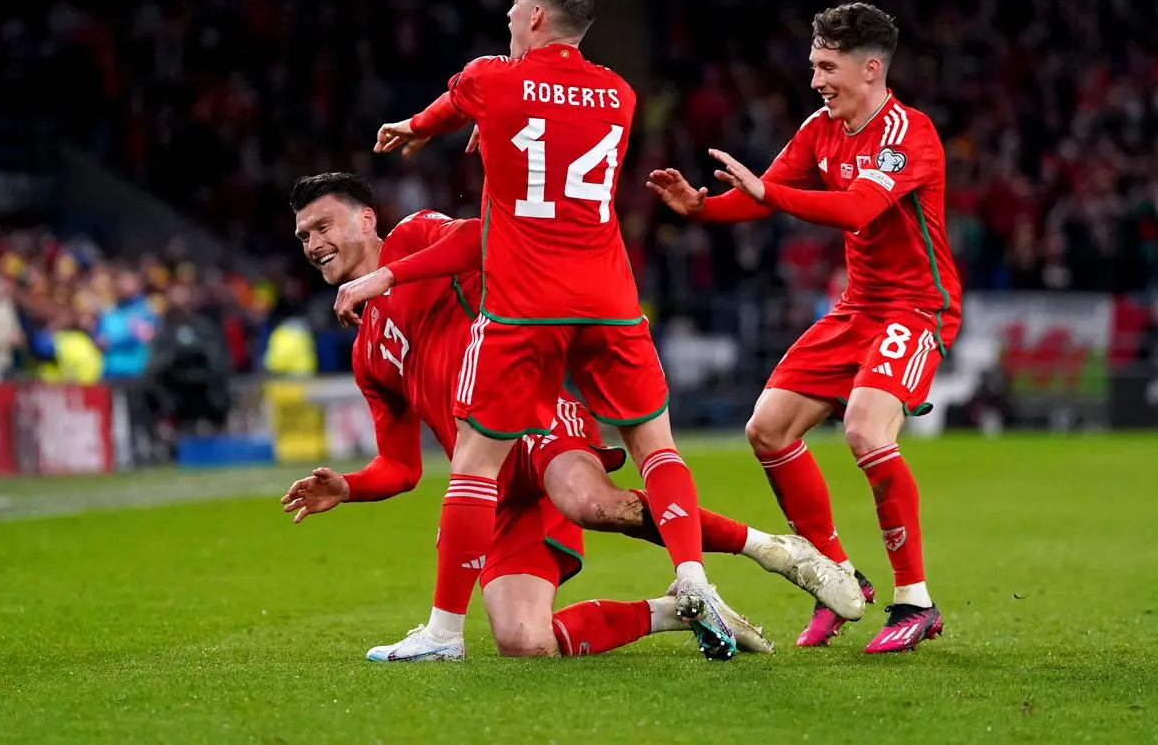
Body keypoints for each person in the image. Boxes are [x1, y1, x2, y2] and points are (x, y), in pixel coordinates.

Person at [284, 173, 864, 661]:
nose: (313, 243)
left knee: (591, 504)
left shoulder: (413, 239)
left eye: (323, 225)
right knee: (525, 643)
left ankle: (774, 550)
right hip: (490, 487)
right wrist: (349, 487)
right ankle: (674, 612)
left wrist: (387, 275)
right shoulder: (365, 352)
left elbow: (490, 238)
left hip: (530, 415)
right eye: (304, 235)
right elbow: (401, 466)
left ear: (366, 220)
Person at [372, 0, 737, 658]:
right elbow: (552, 131)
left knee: (477, 466)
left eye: (515, 6)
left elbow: (461, 105)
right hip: (607, 298)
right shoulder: (621, 95)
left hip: (524, 305)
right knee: (656, 447)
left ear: (536, 17)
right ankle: (692, 579)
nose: (508, 17)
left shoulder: (490, 79)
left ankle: (444, 632)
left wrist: (418, 126)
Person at [647, 2, 963, 653]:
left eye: (827, 65)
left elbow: (853, 208)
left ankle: (915, 600)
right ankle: (838, 578)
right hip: (857, 309)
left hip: (916, 307)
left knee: (865, 430)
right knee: (766, 429)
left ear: (870, 69)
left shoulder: (910, 134)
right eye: (812, 63)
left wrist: (765, 194)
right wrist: (703, 208)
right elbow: (766, 191)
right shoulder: (821, 129)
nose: (815, 78)